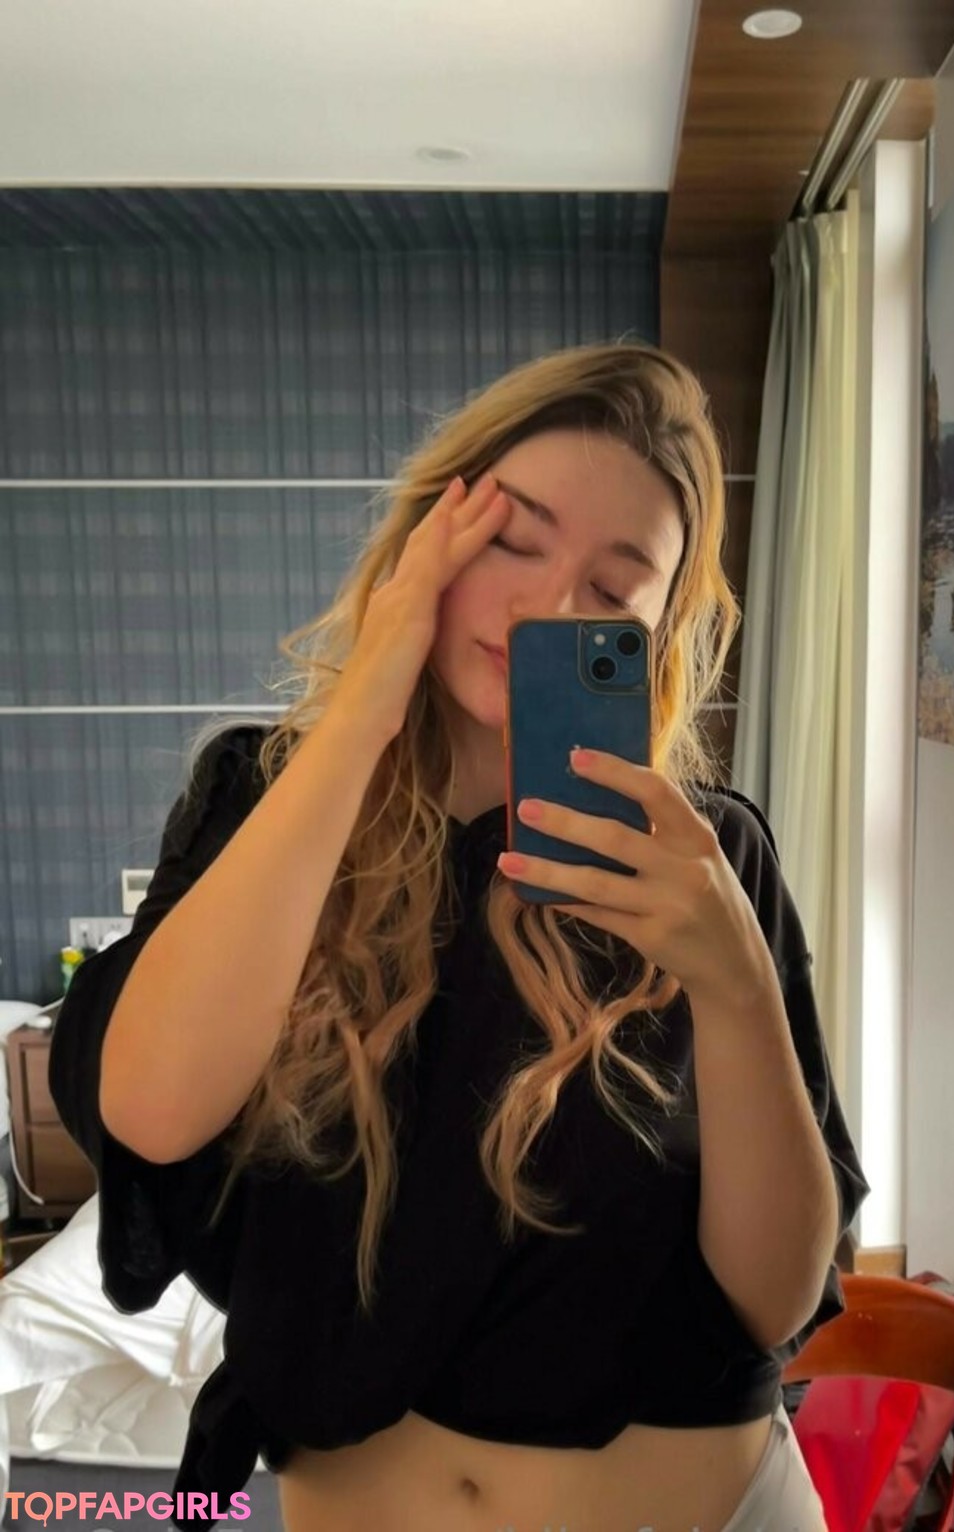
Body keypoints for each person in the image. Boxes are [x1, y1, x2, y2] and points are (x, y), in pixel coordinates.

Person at [49, 341, 869, 1532]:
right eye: (513, 541)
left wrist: (739, 985)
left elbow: (772, 1302)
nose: (551, 606)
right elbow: (153, 1108)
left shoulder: (705, 859)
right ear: (432, 533)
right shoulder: (263, 798)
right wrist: (365, 703)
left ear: (656, 630)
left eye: (613, 587)